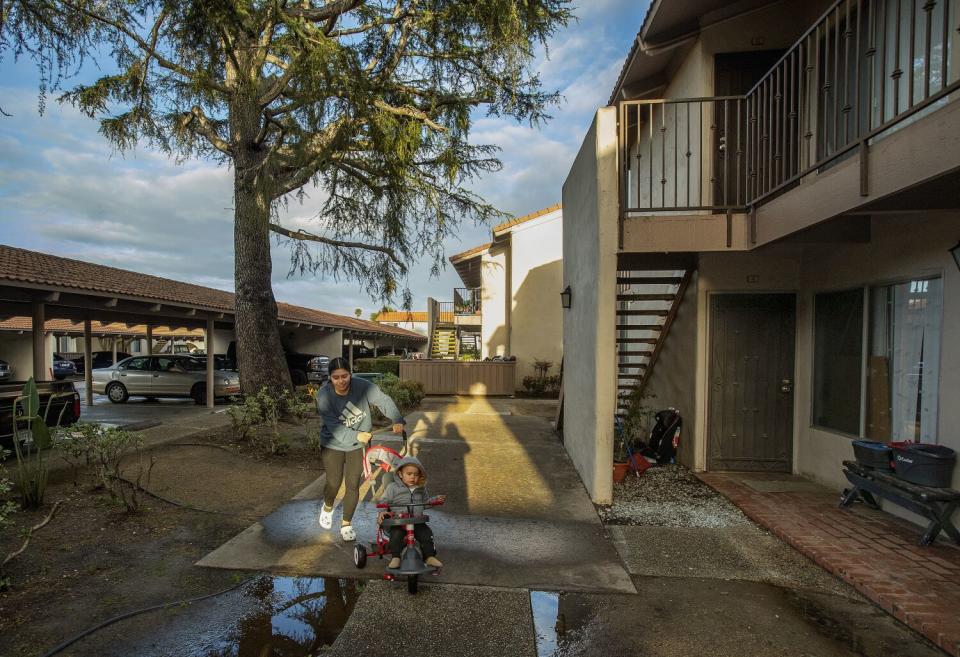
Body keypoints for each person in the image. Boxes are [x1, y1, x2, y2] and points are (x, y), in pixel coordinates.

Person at [315, 357, 405, 541]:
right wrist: (356, 435)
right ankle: (328, 506)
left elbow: (383, 400)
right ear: (330, 378)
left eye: (345, 376)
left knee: (353, 483)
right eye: (336, 377)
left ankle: (346, 523)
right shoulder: (324, 395)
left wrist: (396, 418)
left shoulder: (363, 386)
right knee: (333, 483)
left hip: (359, 446)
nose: (341, 381)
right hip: (333, 444)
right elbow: (334, 427)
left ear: (351, 374)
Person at [378, 455, 443, 569]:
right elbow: (384, 500)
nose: (413, 477)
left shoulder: (420, 488)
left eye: (416, 474)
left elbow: (425, 502)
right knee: (396, 535)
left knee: (426, 534)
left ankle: (429, 557)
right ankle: (396, 557)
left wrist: (435, 500)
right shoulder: (392, 487)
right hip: (399, 521)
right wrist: (382, 511)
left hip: (416, 521)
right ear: (400, 474)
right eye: (409, 474)